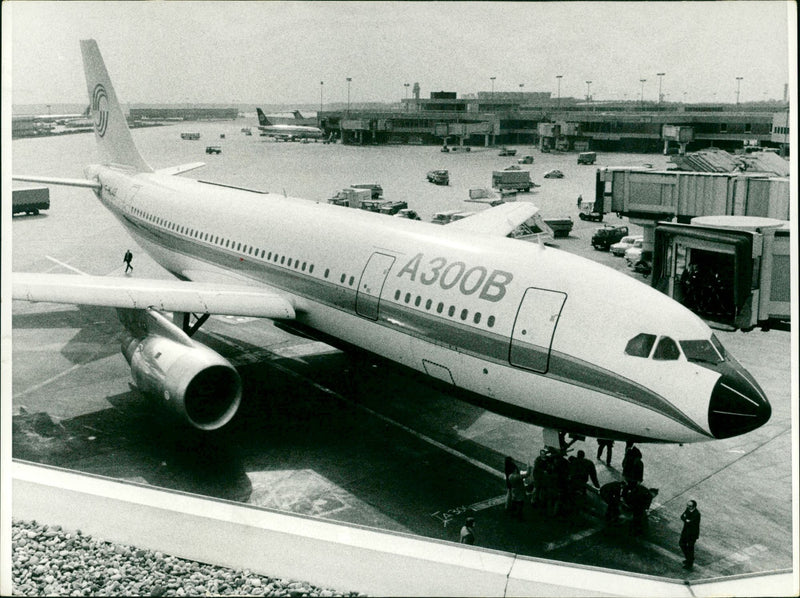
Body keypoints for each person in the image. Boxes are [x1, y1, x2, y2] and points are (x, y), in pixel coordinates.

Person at [680, 500, 701, 570]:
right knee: (681, 544)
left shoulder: (697, 514)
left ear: (694, 506)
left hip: (692, 534)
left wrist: (686, 519)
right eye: (687, 505)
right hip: (685, 532)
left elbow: (691, 522)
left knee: (690, 547)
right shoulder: (688, 510)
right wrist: (686, 519)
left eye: (690, 506)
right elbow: (682, 516)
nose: (688, 507)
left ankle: (689, 563)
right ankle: (689, 558)